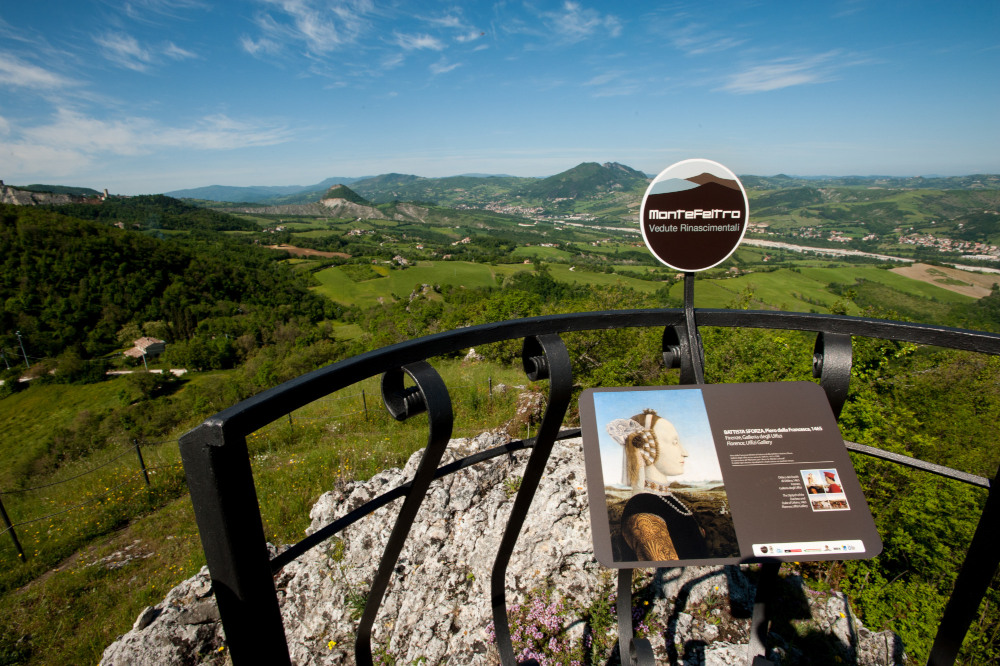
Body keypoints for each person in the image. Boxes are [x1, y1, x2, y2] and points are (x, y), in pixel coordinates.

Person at [607, 409, 708, 561]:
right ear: (647, 447)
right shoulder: (643, 509)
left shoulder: (670, 500)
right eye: (674, 442)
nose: (684, 452)